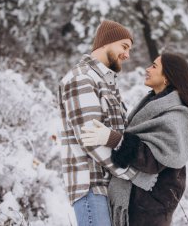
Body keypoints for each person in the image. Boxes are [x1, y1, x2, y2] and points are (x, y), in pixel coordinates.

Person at [81, 52, 188, 226]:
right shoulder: (154, 103)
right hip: (140, 202)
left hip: (150, 207)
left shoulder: (177, 114)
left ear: (167, 77)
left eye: (154, 66)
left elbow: (153, 159)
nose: (147, 69)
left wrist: (114, 139)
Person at [57, 20, 157, 226]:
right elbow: (91, 141)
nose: (127, 54)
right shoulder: (81, 79)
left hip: (108, 187)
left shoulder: (105, 83)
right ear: (105, 43)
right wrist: (132, 175)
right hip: (91, 187)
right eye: (124, 46)